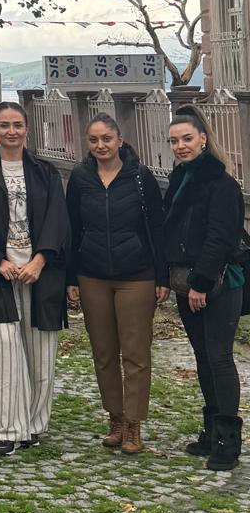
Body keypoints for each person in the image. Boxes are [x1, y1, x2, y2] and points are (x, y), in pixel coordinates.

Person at [0, 102, 69, 456]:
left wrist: (40, 260)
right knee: (6, 347)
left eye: (17, 125)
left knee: (40, 351)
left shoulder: (45, 171)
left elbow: (58, 220)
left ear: (27, 129)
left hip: (40, 273)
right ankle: (8, 429)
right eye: (5, 125)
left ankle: (34, 424)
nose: (11, 131)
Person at [66, 115, 167, 454]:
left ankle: (134, 423)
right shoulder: (80, 178)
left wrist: (162, 276)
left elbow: (157, 228)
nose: (101, 145)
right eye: (94, 139)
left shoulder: (140, 176)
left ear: (119, 140)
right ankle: (116, 418)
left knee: (135, 354)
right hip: (92, 275)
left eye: (107, 138)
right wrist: (71, 277)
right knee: (104, 353)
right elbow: (72, 229)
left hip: (136, 276)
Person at [162, 106, 245, 472]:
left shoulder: (222, 184)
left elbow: (220, 237)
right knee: (202, 357)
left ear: (203, 139)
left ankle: (229, 441)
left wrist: (200, 283)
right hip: (187, 281)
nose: (180, 146)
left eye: (187, 139)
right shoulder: (180, 178)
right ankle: (211, 430)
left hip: (218, 283)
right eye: (174, 141)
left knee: (220, 357)